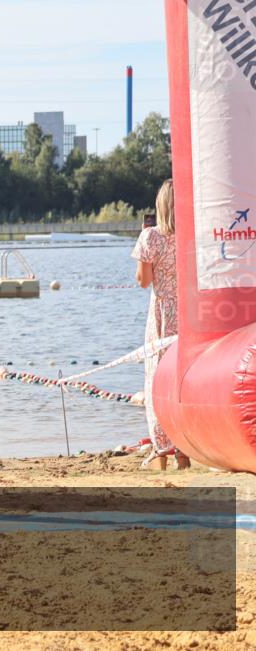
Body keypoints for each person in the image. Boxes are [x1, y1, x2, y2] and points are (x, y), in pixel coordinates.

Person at [132, 179, 188, 470]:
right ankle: (184, 447)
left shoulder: (150, 237)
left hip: (162, 314)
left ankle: (162, 447)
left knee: (157, 381)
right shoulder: (191, 235)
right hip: (190, 314)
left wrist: (143, 244)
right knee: (184, 381)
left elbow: (143, 282)